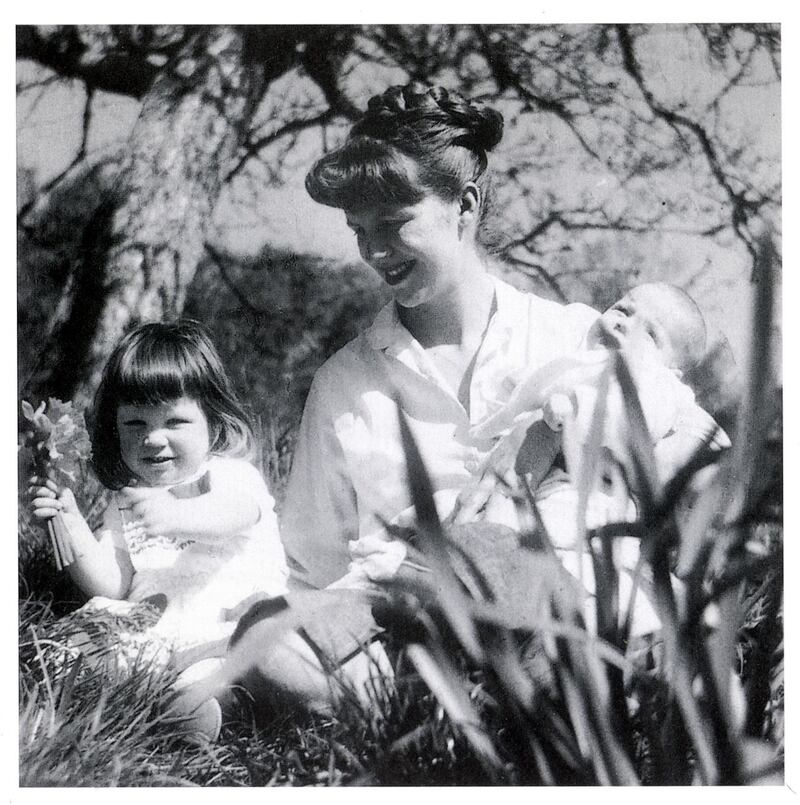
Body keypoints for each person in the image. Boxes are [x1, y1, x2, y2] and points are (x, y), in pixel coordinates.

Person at [227, 83, 601, 711]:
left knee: (507, 556)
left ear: (466, 206)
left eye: (396, 224)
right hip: (401, 631)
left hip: (554, 625)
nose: (374, 252)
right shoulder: (345, 384)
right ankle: (439, 715)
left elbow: (671, 461)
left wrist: (551, 424)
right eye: (359, 230)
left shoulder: (571, 339)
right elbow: (314, 564)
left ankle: (466, 715)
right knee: (262, 634)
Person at [28, 321, 289, 740]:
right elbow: (111, 584)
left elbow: (236, 514)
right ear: (114, 428)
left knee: (228, 666)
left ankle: (210, 708)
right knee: (66, 653)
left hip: (227, 623)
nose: (153, 438)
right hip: (155, 628)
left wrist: (176, 515)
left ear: (212, 420)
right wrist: (69, 519)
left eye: (174, 422)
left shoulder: (231, 475)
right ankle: (105, 702)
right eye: (135, 424)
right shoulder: (127, 499)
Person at [455, 282, 731, 634]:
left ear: (672, 367)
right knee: (501, 544)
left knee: (599, 590)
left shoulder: (658, 384)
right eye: (623, 309)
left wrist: (573, 407)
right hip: (541, 500)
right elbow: (526, 400)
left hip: (593, 514)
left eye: (650, 333)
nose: (623, 324)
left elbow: (636, 419)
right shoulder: (578, 355)